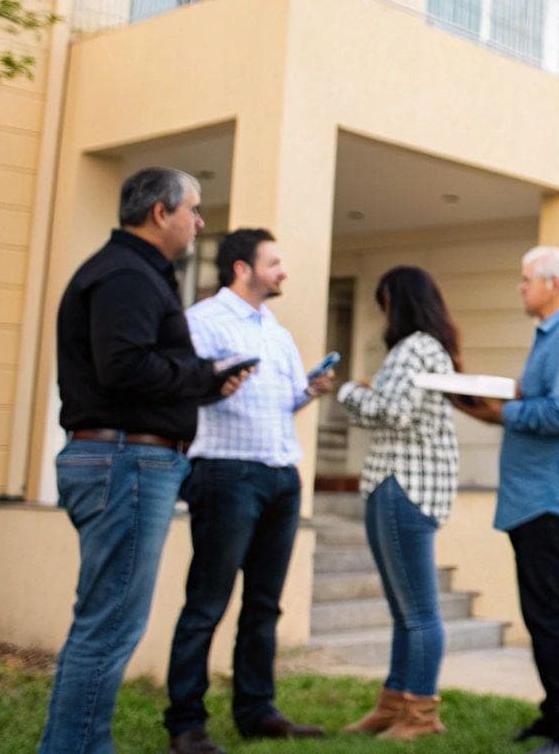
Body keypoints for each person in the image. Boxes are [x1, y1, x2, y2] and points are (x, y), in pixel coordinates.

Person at [39, 167, 254, 754]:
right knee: (110, 627)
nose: (200, 222)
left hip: (122, 457)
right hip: (124, 461)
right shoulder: (127, 276)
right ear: (161, 212)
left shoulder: (129, 272)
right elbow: (126, 368)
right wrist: (202, 373)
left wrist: (206, 387)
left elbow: (137, 374)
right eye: (194, 209)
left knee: (103, 622)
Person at [163, 229, 335, 753]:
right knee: (207, 603)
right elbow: (182, 390)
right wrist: (215, 385)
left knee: (264, 604)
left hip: (281, 475)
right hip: (226, 473)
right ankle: (186, 724)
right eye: (274, 262)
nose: (283, 272)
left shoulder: (275, 330)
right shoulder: (202, 322)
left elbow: (282, 401)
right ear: (242, 268)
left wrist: (309, 391)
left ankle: (257, 711)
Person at [452, 245, 559, 754]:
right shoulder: (555, 336)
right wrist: (492, 397)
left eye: (526, 280)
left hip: (552, 498)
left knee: (551, 613)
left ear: (553, 284)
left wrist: (505, 413)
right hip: (536, 497)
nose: (520, 288)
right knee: (542, 613)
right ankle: (555, 712)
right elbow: (541, 396)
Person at [335, 266, 462, 741]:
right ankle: (393, 705)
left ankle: (420, 716)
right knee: (405, 610)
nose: (380, 313)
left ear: (396, 301)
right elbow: (398, 407)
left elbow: (393, 411)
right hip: (403, 485)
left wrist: (348, 391)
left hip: (403, 486)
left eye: (382, 302)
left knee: (420, 613)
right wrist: (374, 394)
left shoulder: (416, 349)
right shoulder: (426, 349)